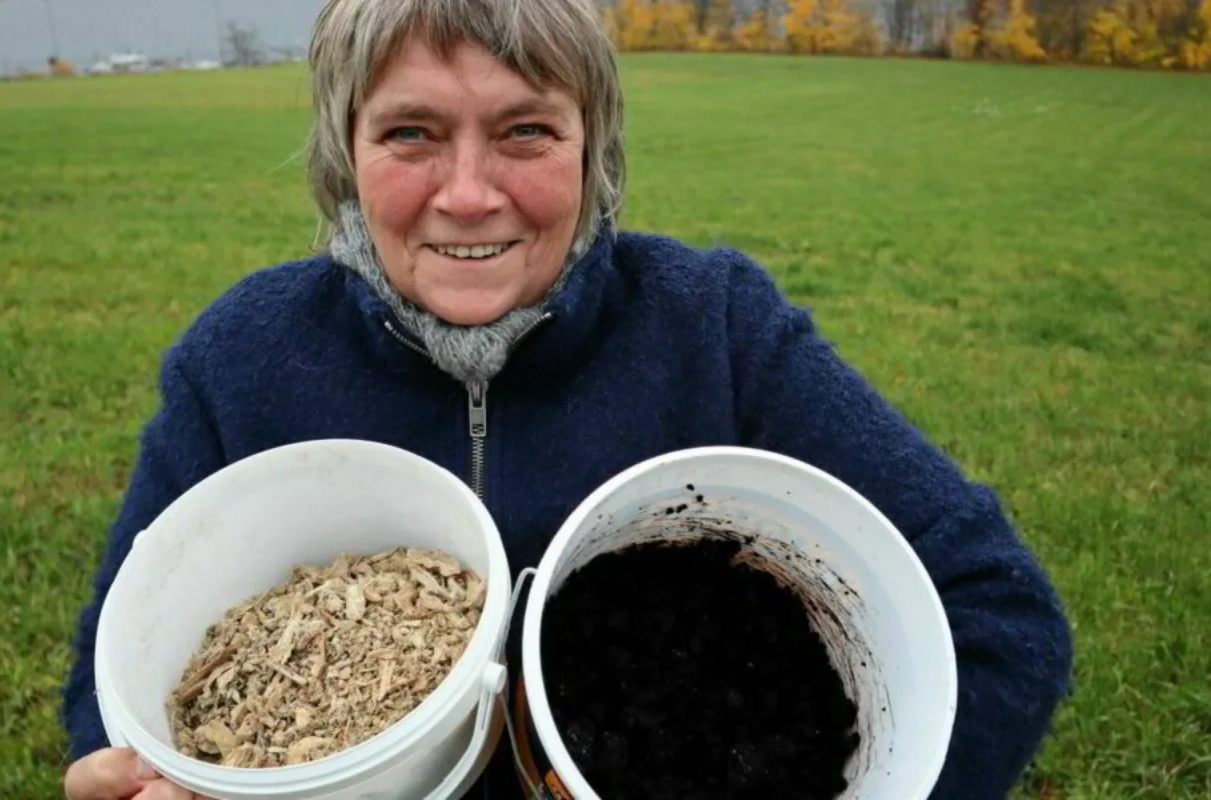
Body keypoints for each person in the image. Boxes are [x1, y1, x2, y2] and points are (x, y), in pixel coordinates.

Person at [60, 0, 1074, 798]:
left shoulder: (715, 329)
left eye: (524, 130)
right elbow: (119, 692)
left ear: (593, 153)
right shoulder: (240, 362)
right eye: (409, 132)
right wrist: (134, 774)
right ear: (342, 155)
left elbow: (997, 615)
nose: (466, 192)